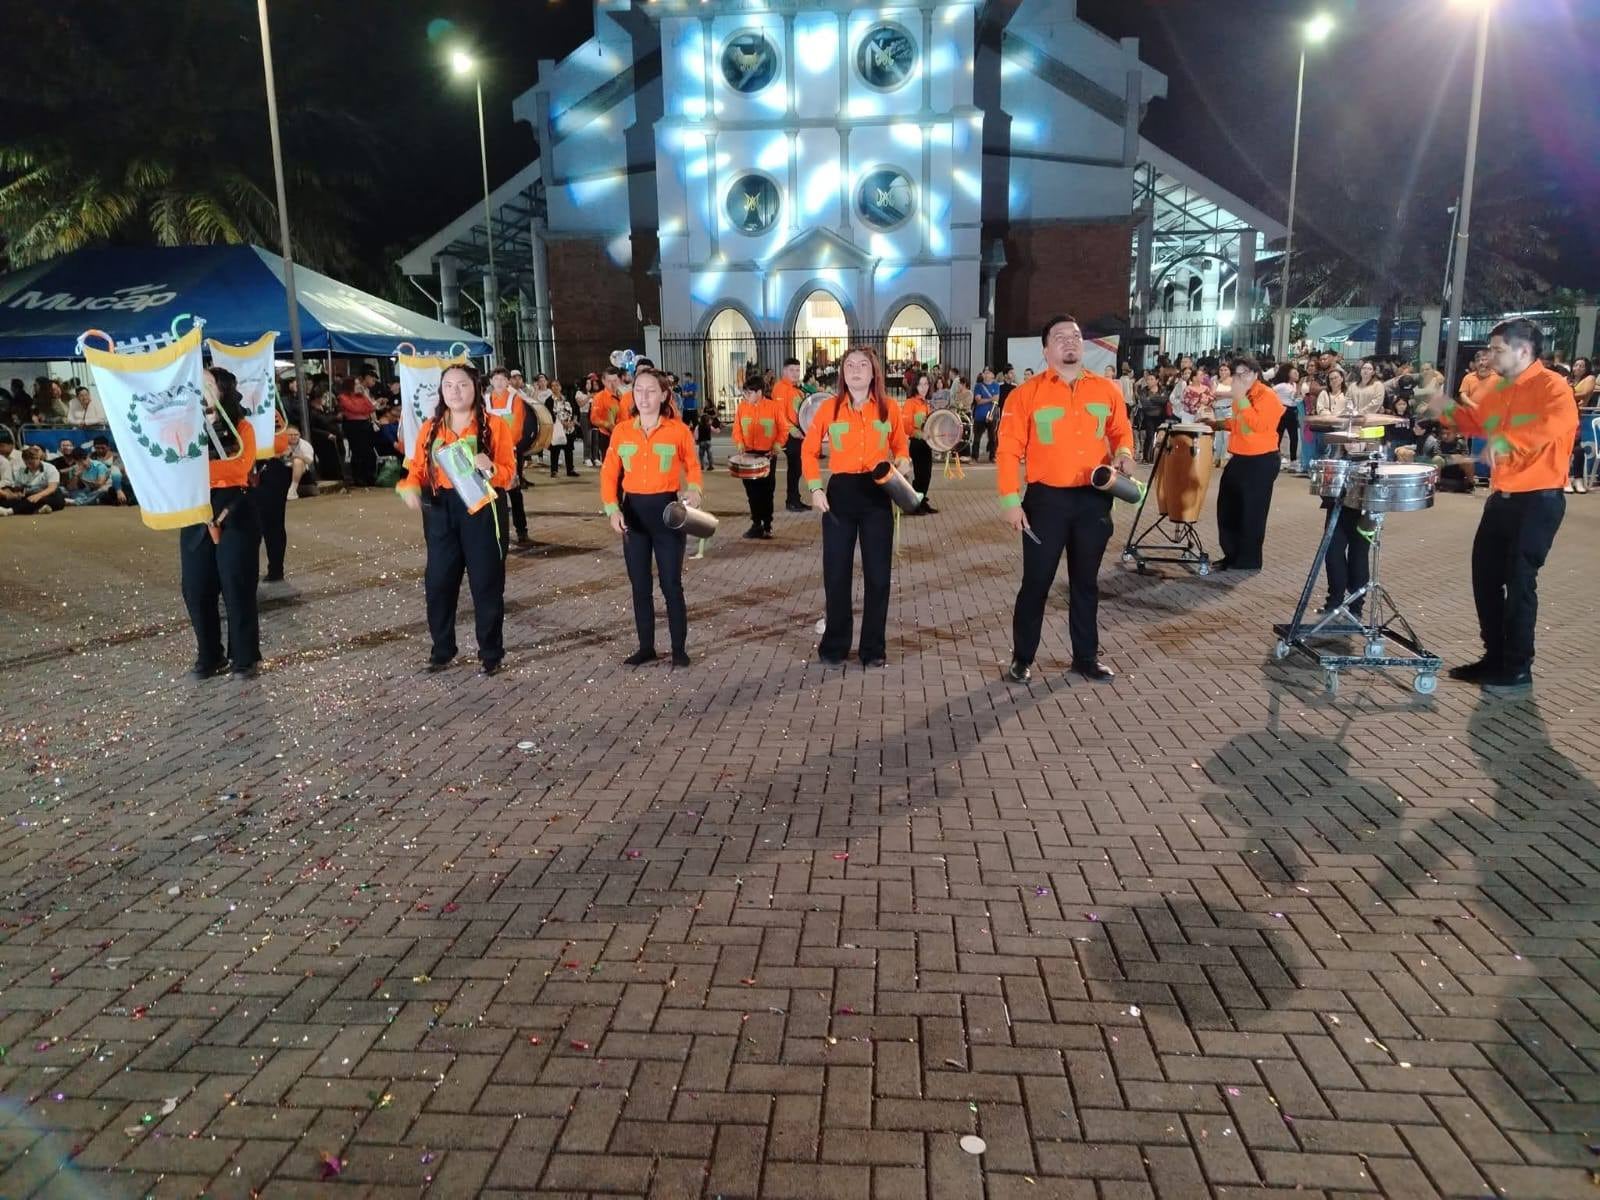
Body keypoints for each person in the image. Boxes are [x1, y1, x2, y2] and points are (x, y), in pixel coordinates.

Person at [1433, 319, 1577, 695]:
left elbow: (1546, 429)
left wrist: (1504, 442)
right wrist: (1441, 407)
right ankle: (1494, 656)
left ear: (1523, 350)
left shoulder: (1554, 387)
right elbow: (1476, 422)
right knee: (1485, 578)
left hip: (1539, 499)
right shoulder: (1500, 388)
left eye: (1497, 349)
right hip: (1502, 497)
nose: (1489, 355)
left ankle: (1517, 666)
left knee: (1520, 581)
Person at [996, 315, 1136, 684]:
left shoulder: (1106, 390)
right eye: (1060, 337)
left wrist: (1125, 452)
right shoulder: (1025, 394)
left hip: (1094, 500)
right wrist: (1010, 500)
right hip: (1045, 502)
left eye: (1074, 336)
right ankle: (1022, 657)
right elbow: (1008, 450)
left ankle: (1086, 657)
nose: (1069, 342)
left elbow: (1121, 431)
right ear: (1046, 350)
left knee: (1086, 583)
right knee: (1036, 583)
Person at [396, 364, 516, 676]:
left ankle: (490, 652)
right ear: (441, 391)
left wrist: (490, 468)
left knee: (486, 582)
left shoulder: (494, 426)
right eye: (448, 385)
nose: (455, 391)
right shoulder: (431, 427)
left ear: (476, 388)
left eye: (462, 385)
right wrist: (409, 489)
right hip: (440, 510)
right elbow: (415, 470)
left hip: (481, 508)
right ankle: (442, 649)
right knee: (438, 582)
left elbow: (510, 474)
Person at [802, 346, 910, 668]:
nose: (856, 369)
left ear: (874, 372)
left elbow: (900, 446)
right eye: (850, 365)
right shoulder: (828, 410)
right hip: (840, 495)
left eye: (863, 364)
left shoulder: (889, 408)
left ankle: (873, 649)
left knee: (878, 576)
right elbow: (808, 452)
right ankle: (834, 645)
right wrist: (815, 487)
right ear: (843, 373)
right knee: (836, 574)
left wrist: (903, 462)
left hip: (877, 494)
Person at [600, 368, 703, 667]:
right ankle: (646, 647)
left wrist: (694, 489)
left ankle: (679, 649)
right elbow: (609, 474)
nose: (643, 397)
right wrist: (612, 509)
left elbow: (693, 466)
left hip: (668, 513)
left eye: (650, 391)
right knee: (639, 584)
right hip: (633, 514)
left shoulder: (678, 431)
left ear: (663, 395)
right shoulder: (622, 431)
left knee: (671, 584)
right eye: (638, 390)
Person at [182, 367, 262, 679]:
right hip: (195, 510)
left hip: (235, 507)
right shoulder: (187, 429)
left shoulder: (242, 427)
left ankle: (245, 655)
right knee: (196, 586)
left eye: (207, 384)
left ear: (223, 389)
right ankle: (209, 655)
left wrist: (198, 472)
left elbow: (239, 469)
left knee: (237, 583)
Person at [1207, 356, 1284, 572]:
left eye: (1245, 374)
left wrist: (1240, 398)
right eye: (1237, 374)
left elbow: (1258, 424)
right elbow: (1242, 424)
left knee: (1252, 512)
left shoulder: (1267, 396)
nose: (1240, 378)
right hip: (1240, 457)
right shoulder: (1243, 396)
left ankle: (1248, 560)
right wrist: (1218, 424)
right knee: (1228, 507)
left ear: (1256, 374)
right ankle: (1232, 554)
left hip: (1261, 460)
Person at [731, 375, 788, 538]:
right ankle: (756, 523)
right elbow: (737, 429)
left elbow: (784, 429)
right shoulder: (742, 407)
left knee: (767, 491)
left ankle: (767, 524)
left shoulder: (774, 407)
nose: (745, 396)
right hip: (748, 455)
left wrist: (777, 445)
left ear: (759, 392)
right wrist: (740, 444)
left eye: (749, 393)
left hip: (767, 455)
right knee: (751, 492)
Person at [486, 368, 532, 547]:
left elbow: (517, 428)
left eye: (502, 379)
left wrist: (503, 446)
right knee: (491, 493)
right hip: (489, 455)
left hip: (509, 452)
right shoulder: (485, 400)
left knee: (514, 490)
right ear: (491, 381)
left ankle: (522, 530)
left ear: (507, 382)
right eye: (495, 379)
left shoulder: (516, 400)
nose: (498, 382)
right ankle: (495, 532)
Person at [255, 420, 294, 582]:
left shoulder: (262, 409)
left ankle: (273, 570)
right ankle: (275, 570)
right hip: (274, 467)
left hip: (267, 467)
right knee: (273, 524)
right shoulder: (271, 408)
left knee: (268, 525)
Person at [901, 367, 937, 514]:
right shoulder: (910, 403)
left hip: (927, 443)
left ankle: (922, 500)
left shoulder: (926, 403)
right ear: (915, 385)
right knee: (920, 475)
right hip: (917, 444)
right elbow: (905, 426)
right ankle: (914, 504)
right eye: (921, 384)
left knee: (927, 474)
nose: (924, 387)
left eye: (926, 384)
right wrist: (919, 434)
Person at [774, 358, 808, 512]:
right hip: (789, 435)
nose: (795, 373)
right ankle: (791, 501)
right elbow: (779, 414)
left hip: (799, 434)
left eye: (797, 370)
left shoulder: (797, 390)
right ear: (784, 371)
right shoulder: (780, 388)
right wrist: (791, 429)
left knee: (797, 468)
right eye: (792, 370)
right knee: (794, 468)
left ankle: (795, 499)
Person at [337, 376, 377, 486]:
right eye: (356, 384)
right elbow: (353, 409)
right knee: (357, 451)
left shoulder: (361, 396)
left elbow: (371, 408)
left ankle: (369, 476)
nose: (358, 386)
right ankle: (358, 477)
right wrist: (362, 409)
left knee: (368, 451)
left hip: (365, 424)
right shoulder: (343, 397)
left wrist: (364, 396)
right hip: (353, 425)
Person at [5, 445, 66, 513]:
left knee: (56, 501)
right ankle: (39, 508)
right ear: (24, 460)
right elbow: (17, 487)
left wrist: (38, 495)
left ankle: (10, 511)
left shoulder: (50, 468)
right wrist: (16, 494)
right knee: (12, 500)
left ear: (39, 458)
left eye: (34, 459)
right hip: (30, 494)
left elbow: (52, 488)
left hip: (48, 494)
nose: (32, 461)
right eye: (28, 460)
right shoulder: (21, 471)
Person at [1566, 357, 1593, 494]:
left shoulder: (1589, 379)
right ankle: (1566, 479)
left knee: (1578, 449)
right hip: (1564, 420)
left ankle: (1577, 479)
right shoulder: (1568, 380)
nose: (1578, 368)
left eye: (1581, 365)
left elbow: (1585, 394)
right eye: (1576, 365)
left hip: (1579, 416)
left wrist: (1568, 393)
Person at [549, 385, 578, 477]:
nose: (555, 388)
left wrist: (573, 422)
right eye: (553, 386)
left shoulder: (567, 399)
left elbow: (575, 410)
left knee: (569, 450)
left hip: (569, 428)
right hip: (557, 427)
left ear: (561, 387)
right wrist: (562, 423)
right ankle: (554, 470)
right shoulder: (549, 400)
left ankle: (570, 469)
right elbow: (550, 414)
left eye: (557, 385)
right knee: (555, 450)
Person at [971, 367, 1000, 461]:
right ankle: (974, 456)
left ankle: (992, 456)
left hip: (991, 415)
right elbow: (978, 400)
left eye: (988, 373)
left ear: (992, 375)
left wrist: (988, 400)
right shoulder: (978, 386)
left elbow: (997, 400)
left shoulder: (996, 385)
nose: (986, 375)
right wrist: (990, 399)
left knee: (992, 437)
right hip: (979, 415)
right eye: (985, 373)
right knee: (977, 437)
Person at [281, 425, 316, 499]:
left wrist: (292, 455)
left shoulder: (305, 444)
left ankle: (292, 491)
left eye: (296, 435)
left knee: (298, 461)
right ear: (285, 435)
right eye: (290, 435)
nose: (293, 437)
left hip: (301, 472)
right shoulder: (280, 444)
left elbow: (309, 461)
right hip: (284, 470)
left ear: (299, 435)